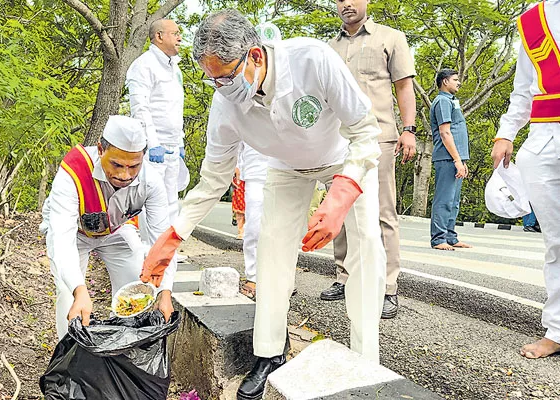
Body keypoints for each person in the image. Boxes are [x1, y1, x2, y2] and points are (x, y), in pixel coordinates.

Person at [140, 10, 386, 400]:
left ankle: (364, 360)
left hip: (345, 160)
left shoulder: (313, 59)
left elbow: (366, 132)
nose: (219, 86)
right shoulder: (225, 106)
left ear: (255, 56)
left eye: (225, 75)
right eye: (211, 78)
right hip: (286, 168)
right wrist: (171, 238)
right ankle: (270, 353)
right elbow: (213, 181)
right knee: (271, 248)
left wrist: (341, 195)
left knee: (366, 245)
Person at [40, 115, 176, 340]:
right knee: (68, 294)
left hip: (115, 231)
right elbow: (61, 238)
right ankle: (70, 355)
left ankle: (123, 348)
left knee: (137, 288)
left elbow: (162, 240)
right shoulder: (73, 172)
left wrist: (165, 291)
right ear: (101, 149)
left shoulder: (151, 182)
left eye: (134, 166)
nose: (125, 175)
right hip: (75, 232)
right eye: (117, 165)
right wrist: (79, 290)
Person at [321, 0, 417, 319]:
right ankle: (344, 278)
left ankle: (388, 287)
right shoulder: (328, 47)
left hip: (379, 136)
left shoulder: (391, 38)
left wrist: (409, 130)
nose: (346, 3)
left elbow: (404, 86)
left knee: (382, 212)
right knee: (341, 206)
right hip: (338, 139)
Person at [491, 0, 560, 359]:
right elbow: (523, 88)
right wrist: (506, 132)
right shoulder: (533, 20)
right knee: (556, 241)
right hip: (544, 139)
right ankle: (557, 329)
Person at [126, 19, 185, 226]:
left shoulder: (174, 69)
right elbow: (140, 108)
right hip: (154, 149)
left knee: (171, 201)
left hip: (172, 147)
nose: (180, 38)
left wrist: (180, 142)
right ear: (159, 36)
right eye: (175, 33)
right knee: (152, 201)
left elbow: (176, 108)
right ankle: (149, 251)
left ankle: (168, 253)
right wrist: (152, 143)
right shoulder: (143, 65)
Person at [429, 69, 472, 251]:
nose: (458, 83)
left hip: (456, 158)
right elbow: (445, 132)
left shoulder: (451, 101)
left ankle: (450, 236)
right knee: (444, 199)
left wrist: (462, 160)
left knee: (454, 201)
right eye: (455, 80)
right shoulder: (442, 102)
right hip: (447, 158)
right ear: (445, 81)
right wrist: (456, 159)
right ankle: (438, 239)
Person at [239, 143, 269, 299]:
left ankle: (280, 279)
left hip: (285, 170)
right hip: (255, 173)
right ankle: (252, 277)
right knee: (253, 229)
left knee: (282, 230)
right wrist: (238, 165)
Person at [232, 166, 246, 240]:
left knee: (251, 210)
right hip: (239, 186)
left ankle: (248, 231)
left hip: (250, 183)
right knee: (239, 211)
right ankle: (241, 231)